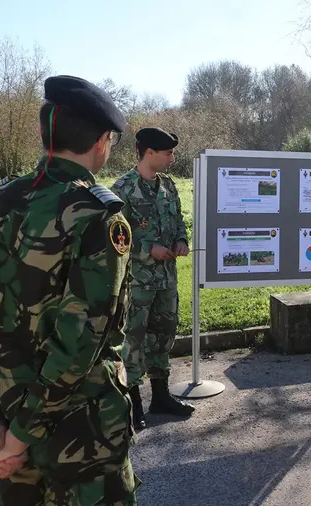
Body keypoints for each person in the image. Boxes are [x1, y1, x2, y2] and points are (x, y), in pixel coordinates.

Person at [0, 75, 140, 503]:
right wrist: (17, 438)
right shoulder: (98, 216)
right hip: (81, 439)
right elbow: (78, 343)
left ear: (41, 132)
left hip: (6, 424)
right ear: (104, 141)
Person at [112, 127, 194, 430]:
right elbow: (113, 240)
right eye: (168, 153)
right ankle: (133, 404)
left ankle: (160, 395)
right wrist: (148, 249)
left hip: (166, 279)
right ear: (149, 152)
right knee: (133, 340)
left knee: (163, 336)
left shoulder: (168, 186)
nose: (172, 158)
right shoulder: (122, 188)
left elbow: (178, 221)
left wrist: (181, 240)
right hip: (136, 282)